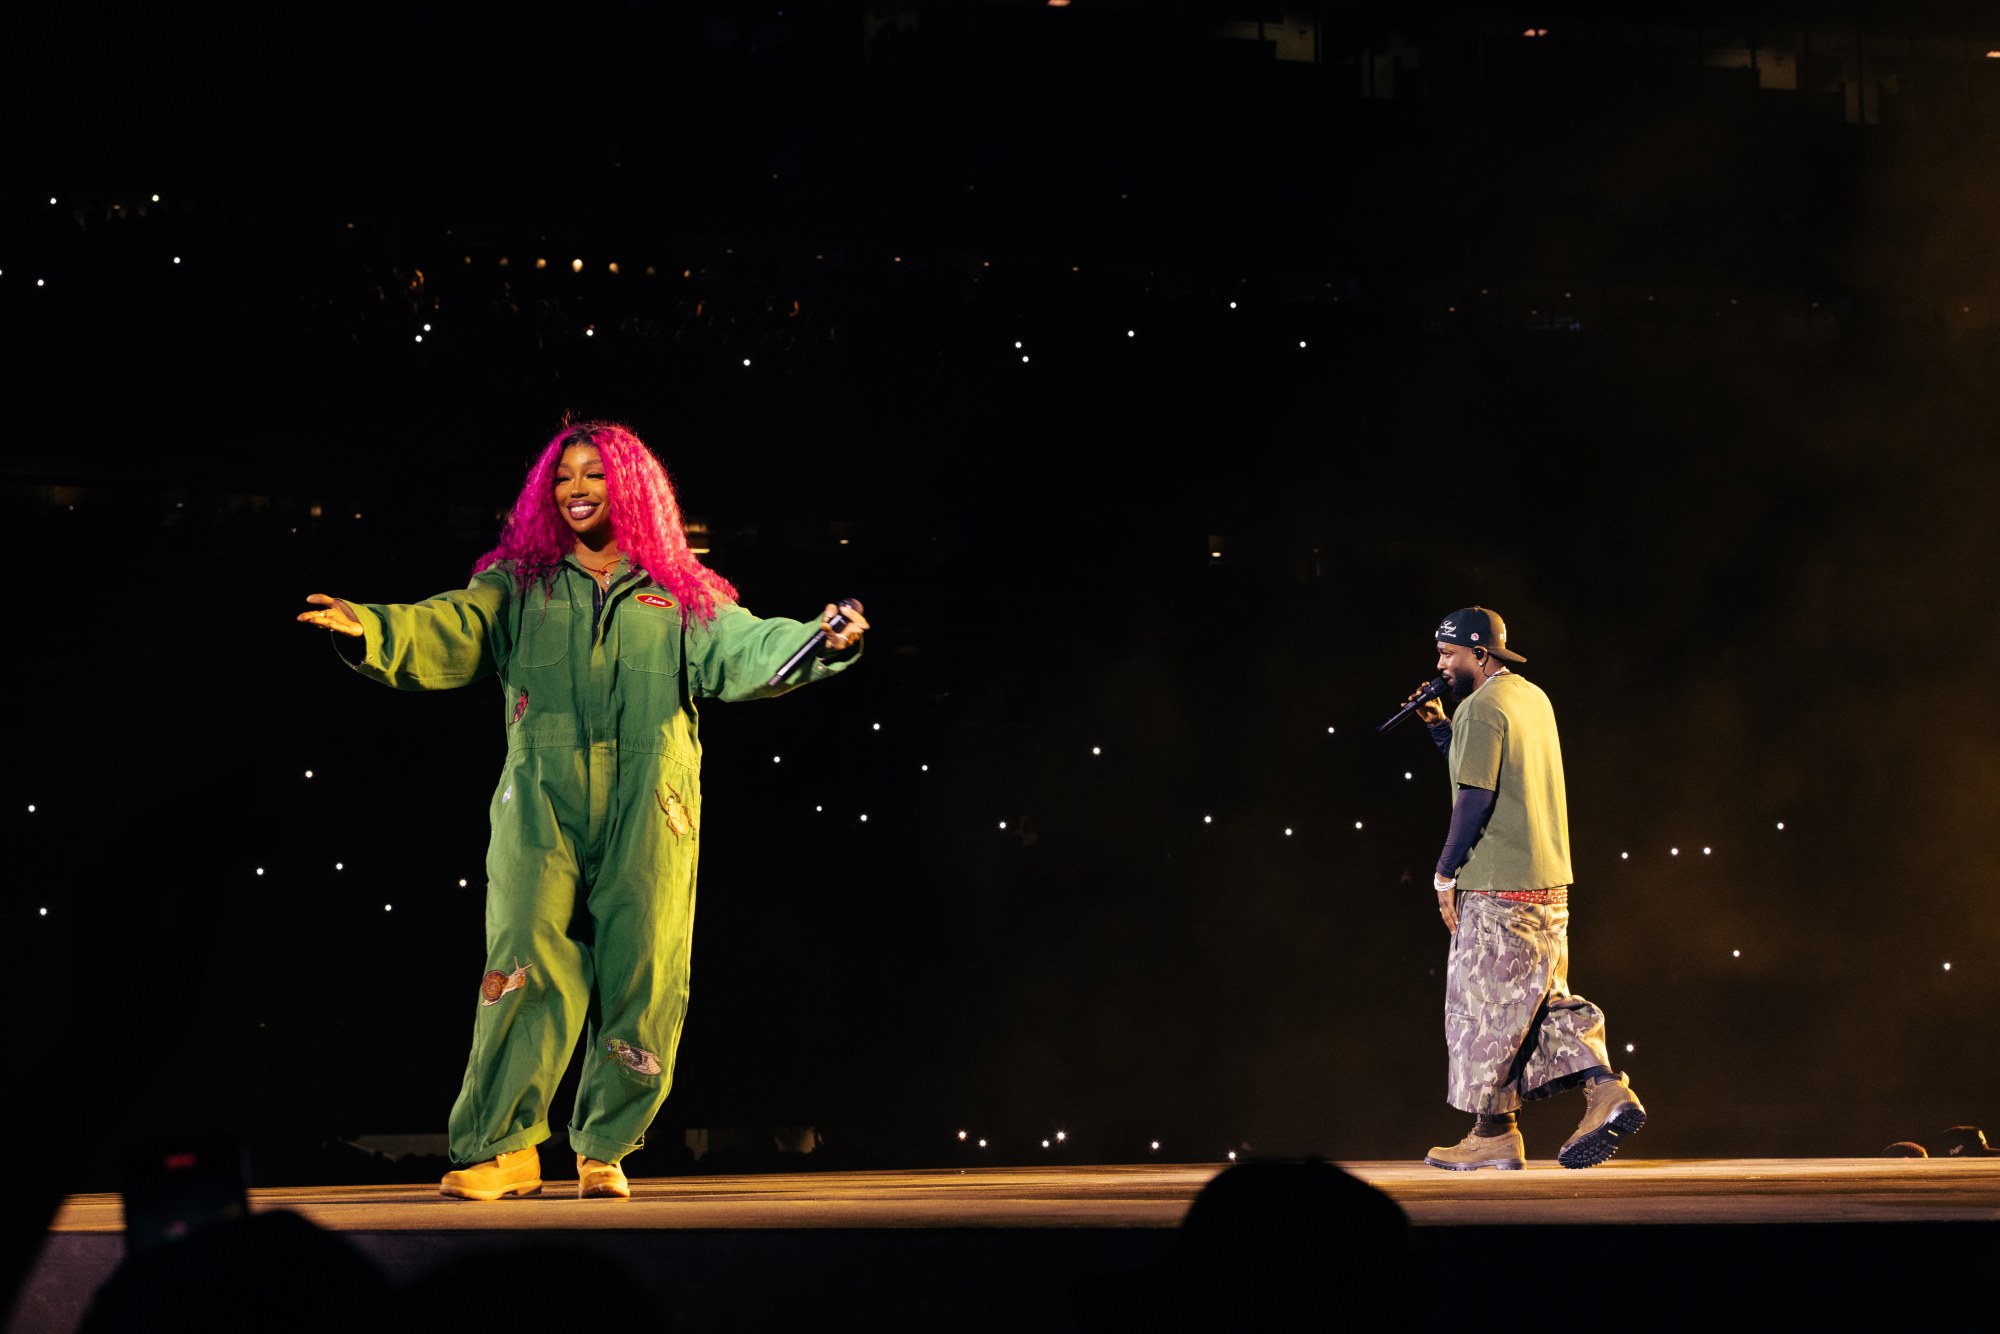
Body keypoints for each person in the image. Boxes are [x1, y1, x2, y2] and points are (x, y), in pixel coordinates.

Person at [297, 420, 867, 1200]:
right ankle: (503, 1149)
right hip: (541, 798)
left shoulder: (682, 592)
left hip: (653, 804)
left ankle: (605, 1145)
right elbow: (452, 623)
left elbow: (744, 648)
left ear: (630, 488)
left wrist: (818, 640)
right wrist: (373, 625)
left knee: (644, 969)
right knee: (521, 962)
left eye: (594, 474)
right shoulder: (517, 583)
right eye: (563, 476)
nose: (576, 488)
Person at [1402, 606, 1643, 1170]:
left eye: (1447, 654)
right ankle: (1522, 1121)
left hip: (1497, 885)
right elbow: (1482, 770)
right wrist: (1439, 725)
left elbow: (1475, 796)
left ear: (1479, 653)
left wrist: (1444, 874)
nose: (1440, 665)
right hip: (1546, 884)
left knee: (1479, 1012)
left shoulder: (1481, 708)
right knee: (1531, 1005)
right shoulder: (1530, 698)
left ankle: (1529, 1119)